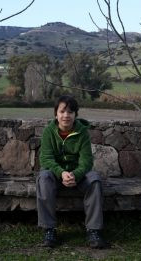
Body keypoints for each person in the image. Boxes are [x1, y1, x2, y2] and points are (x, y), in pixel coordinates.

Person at [36, 95, 107, 249]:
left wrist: (76, 174)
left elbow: (86, 161)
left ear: (75, 115)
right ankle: (49, 230)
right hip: (56, 175)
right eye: (62, 111)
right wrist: (61, 173)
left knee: (94, 179)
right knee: (43, 177)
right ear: (56, 114)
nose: (66, 115)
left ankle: (93, 231)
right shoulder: (49, 132)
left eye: (70, 112)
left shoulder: (82, 133)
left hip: (78, 175)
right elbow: (46, 159)